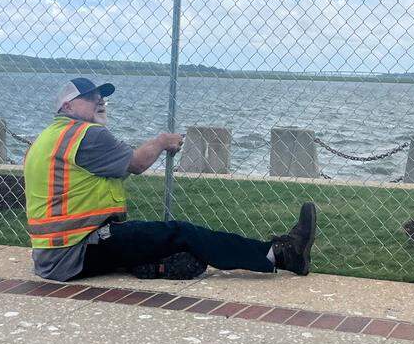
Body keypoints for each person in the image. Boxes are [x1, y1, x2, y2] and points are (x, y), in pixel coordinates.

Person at [23, 77, 316, 283]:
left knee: (158, 239)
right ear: (67, 107)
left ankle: (155, 266)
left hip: (50, 257)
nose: (100, 100)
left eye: (102, 96)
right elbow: (136, 164)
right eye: (89, 97)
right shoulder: (85, 134)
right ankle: (282, 254)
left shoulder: (44, 140)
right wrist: (162, 141)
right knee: (181, 233)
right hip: (77, 252)